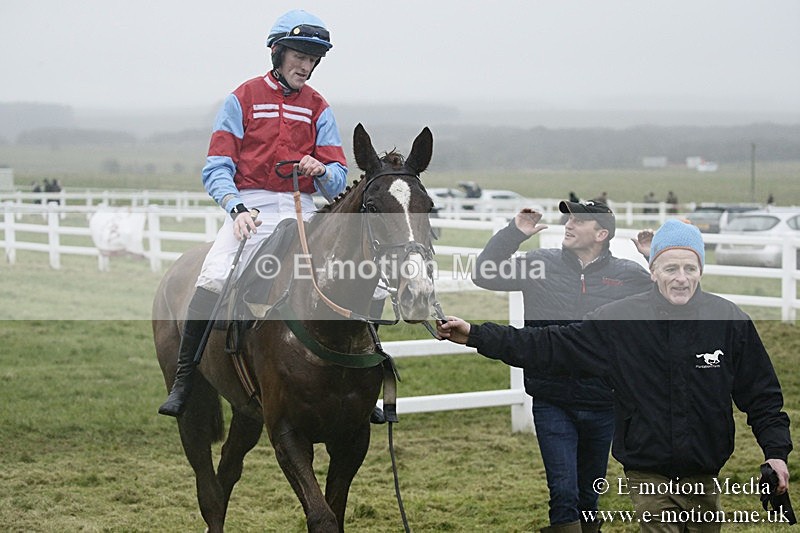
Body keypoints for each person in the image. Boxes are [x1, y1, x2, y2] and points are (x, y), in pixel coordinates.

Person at [440, 219, 792, 532]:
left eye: (690, 268)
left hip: (706, 470)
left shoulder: (730, 321)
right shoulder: (619, 321)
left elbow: (762, 396)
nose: (681, 278)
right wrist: (476, 335)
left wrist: (775, 453)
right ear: (653, 271)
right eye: (670, 268)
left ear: (701, 270)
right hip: (648, 469)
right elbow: (547, 344)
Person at [159, 9, 348, 417]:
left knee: (352, 277)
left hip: (301, 207)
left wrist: (322, 170)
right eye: (299, 56)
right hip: (251, 206)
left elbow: (338, 178)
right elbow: (217, 167)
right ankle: (185, 378)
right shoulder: (242, 98)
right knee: (212, 274)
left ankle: (364, 377)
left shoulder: (319, 107)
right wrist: (236, 208)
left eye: (312, 59)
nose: (306, 66)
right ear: (278, 53)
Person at [472, 200, 654, 532]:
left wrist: (654, 259)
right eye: (568, 219)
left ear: (601, 234)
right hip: (552, 399)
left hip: (603, 402)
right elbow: (483, 274)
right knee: (564, 493)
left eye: (579, 221)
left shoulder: (628, 275)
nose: (569, 224)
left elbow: (671, 302)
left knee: (588, 496)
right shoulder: (539, 263)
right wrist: (514, 233)